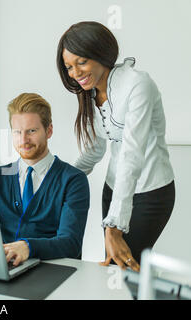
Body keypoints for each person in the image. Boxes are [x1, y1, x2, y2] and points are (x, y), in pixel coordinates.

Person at [57, 21, 175, 271]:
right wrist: (61, 180)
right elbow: (95, 150)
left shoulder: (137, 84)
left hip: (150, 191)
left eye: (81, 62)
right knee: (115, 272)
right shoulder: (90, 93)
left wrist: (115, 226)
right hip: (113, 190)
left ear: (101, 53)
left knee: (124, 268)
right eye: (69, 66)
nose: (75, 72)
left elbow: (132, 154)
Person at [0, 93, 90, 267]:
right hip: (3, 268)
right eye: (17, 132)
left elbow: (71, 243)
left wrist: (28, 247)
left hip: (51, 271)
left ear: (49, 130)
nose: (23, 140)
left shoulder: (73, 180)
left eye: (31, 131)